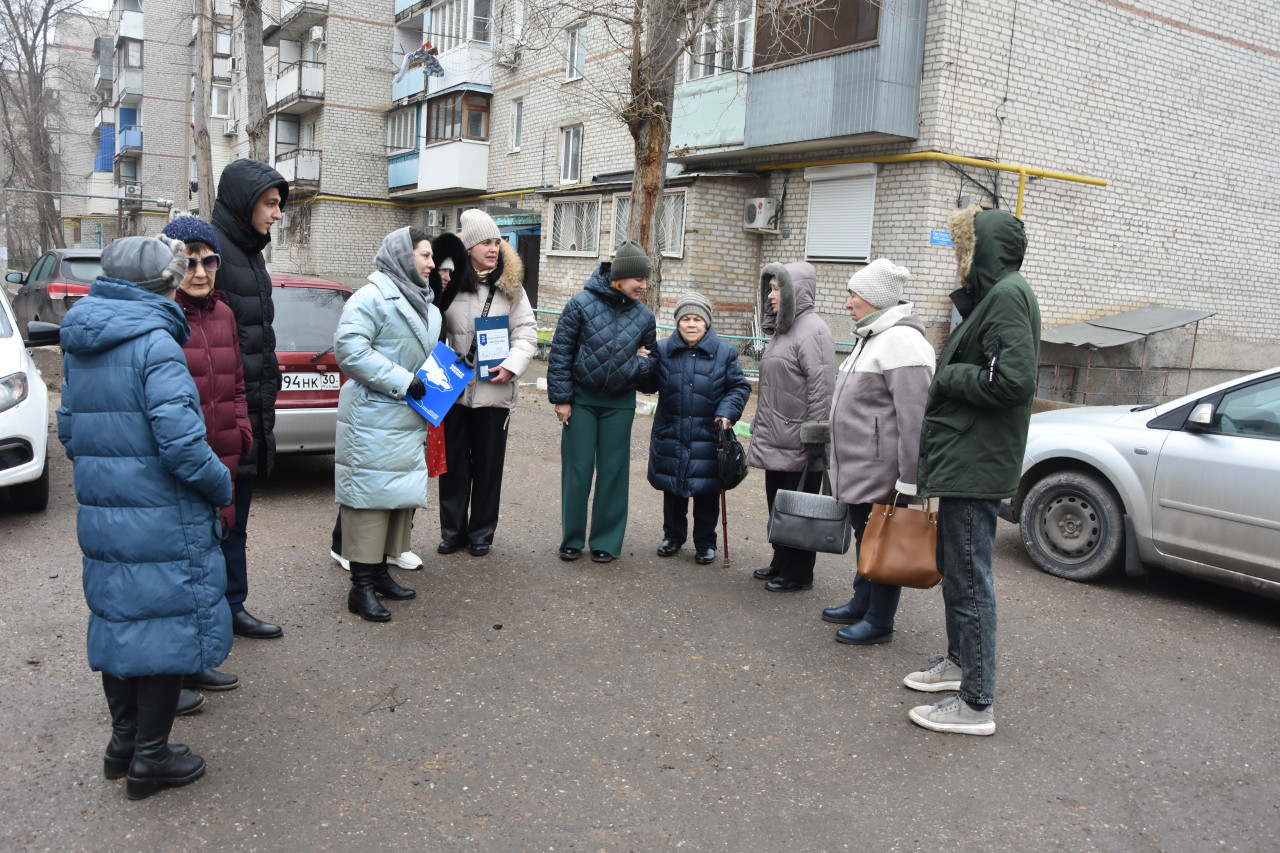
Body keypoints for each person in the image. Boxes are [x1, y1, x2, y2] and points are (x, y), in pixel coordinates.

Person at [57, 235, 232, 800]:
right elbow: (183, 447)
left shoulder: (83, 339)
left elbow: (67, 429)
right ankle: (151, 759)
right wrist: (220, 483)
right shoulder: (156, 341)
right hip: (162, 512)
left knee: (121, 622)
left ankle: (123, 745)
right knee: (163, 628)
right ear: (160, 282)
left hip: (104, 511)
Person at [906, 205, 1041, 737]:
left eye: (965, 249)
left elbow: (1011, 381)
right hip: (969, 457)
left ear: (982, 250)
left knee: (970, 579)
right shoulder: (998, 292)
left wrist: (950, 375)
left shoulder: (1008, 294)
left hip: (977, 462)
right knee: (957, 568)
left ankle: (976, 702)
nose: (959, 260)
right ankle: (960, 664)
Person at [818, 259, 935, 643]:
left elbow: (915, 418)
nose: (848, 303)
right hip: (861, 466)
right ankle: (861, 602)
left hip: (885, 473)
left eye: (854, 295)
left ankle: (879, 620)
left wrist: (910, 480)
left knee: (883, 538)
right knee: (866, 533)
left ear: (875, 299)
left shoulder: (902, 342)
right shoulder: (871, 336)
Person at [160, 216, 253, 692]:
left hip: (224, 454)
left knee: (212, 561)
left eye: (209, 260)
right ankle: (173, 671)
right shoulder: (163, 316)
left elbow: (235, 381)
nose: (200, 272)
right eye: (189, 261)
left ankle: (197, 658)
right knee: (183, 568)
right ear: (172, 264)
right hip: (183, 460)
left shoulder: (224, 314)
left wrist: (240, 428)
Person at [334, 226, 441, 622]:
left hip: (405, 417)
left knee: (394, 499)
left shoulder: (426, 303)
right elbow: (349, 349)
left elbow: (421, 359)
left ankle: (379, 573)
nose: (432, 265)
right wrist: (401, 380)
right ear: (400, 254)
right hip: (373, 418)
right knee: (369, 502)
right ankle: (359, 588)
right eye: (425, 255)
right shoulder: (371, 298)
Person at [211, 158, 289, 640]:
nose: (278, 214)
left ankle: (232, 605)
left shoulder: (250, 253)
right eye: (271, 204)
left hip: (247, 412)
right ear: (246, 204)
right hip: (216, 415)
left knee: (235, 520)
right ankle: (214, 611)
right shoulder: (210, 251)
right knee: (213, 524)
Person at [547, 240, 657, 564]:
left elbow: (650, 377)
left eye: (646, 280)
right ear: (621, 276)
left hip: (619, 405)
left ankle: (606, 541)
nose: (644, 285)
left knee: (613, 472)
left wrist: (640, 364)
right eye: (640, 279)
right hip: (581, 401)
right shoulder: (580, 304)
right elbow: (561, 353)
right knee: (578, 470)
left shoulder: (645, 317)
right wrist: (562, 398)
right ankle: (572, 539)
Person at [436, 209, 538, 557]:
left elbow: (526, 333)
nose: (493, 248)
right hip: (453, 393)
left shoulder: (512, 287)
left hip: (495, 391)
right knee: (453, 469)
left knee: (488, 467)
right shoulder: (448, 284)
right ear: (468, 247)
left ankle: (481, 533)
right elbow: (434, 329)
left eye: (497, 242)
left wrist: (511, 366)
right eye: (485, 242)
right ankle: (452, 531)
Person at [639, 292, 751, 565]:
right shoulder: (662, 350)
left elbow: (738, 387)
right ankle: (673, 537)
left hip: (708, 434)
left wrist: (727, 413)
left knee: (706, 491)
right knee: (674, 488)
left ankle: (705, 542)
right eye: (686, 319)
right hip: (672, 431)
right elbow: (647, 385)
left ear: (707, 323)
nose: (691, 324)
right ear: (677, 323)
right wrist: (642, 363)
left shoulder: (724, 352)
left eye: (697, 319)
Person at [746, 261, 835, 591]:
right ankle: (781, 560)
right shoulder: (784, 331)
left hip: (799, 440)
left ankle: (799, 573)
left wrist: (816, 437)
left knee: (800, 508)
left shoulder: (814, 331)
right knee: (779, 504)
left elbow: (821, 387)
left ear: (796, 291)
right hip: (776, 437)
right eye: (769, 288)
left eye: (777, 288)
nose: (771, 295)